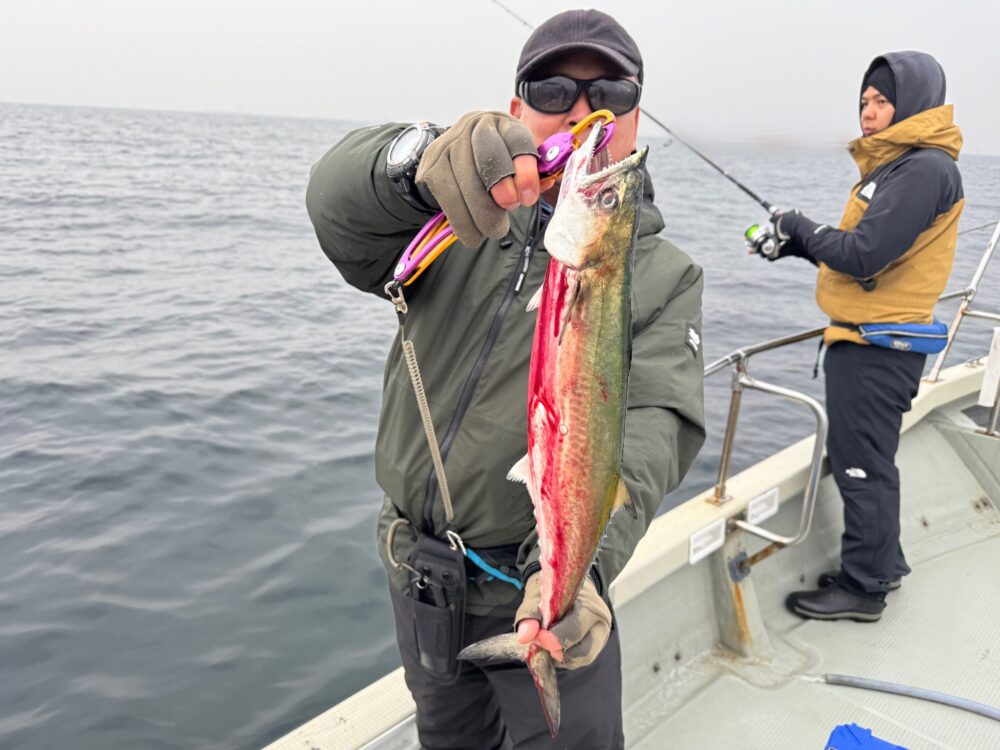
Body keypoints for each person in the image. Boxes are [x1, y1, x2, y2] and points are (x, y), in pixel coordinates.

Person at [306, 9, 705, 749]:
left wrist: (578, 573)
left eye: (610, 93)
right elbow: (336, 209)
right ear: (516, 109)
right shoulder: (446, 225)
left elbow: (655, 426)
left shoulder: (664, 274)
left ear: (635, 115)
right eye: (553, 90)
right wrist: (416, 162)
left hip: (545, 590)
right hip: (420, 578)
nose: (581, 112)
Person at [754, 51, 964, 622]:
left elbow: (865, 254)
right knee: (867, 457)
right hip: (868, 338)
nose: (868, 112)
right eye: (864, 101)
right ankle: (882, 564)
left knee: (861, 464)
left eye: (882, 101)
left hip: (878, 347)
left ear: (913, 102)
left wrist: (799, 224)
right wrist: (797, 244)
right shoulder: (900, 166)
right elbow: (865, 257)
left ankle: (865, 588)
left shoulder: (923, 169)